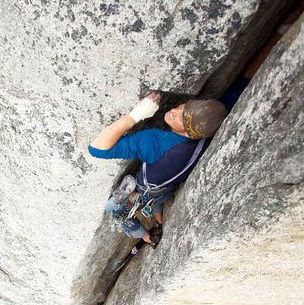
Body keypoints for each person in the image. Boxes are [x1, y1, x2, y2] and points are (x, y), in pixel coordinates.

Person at [88, 91, 227, 249]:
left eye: (183, 118)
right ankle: (159, 222)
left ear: (189, 131)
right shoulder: (206, 135)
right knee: (158, 195)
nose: (174, 112)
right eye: (184, 107)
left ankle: (148, 238)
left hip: (146, 190)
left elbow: (97, 149)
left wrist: (136, 115)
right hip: (166, 188)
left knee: (113, 209)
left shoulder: (156, 141)